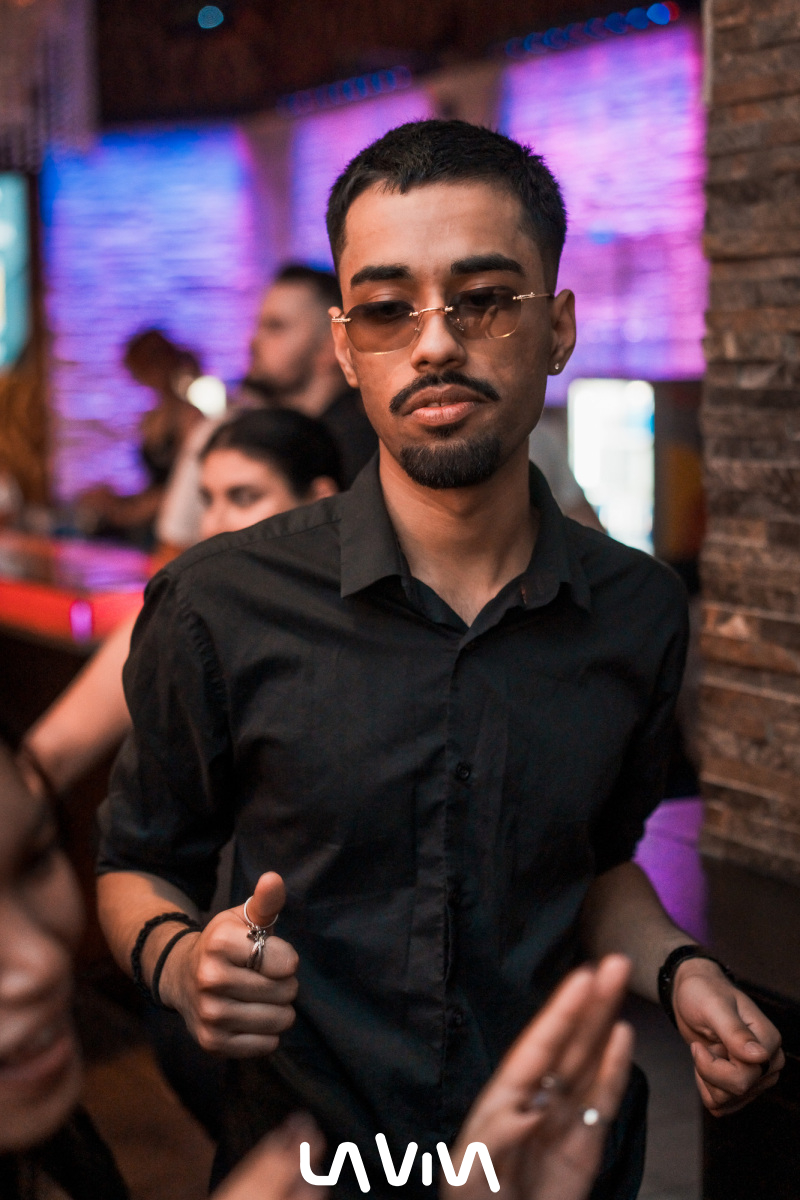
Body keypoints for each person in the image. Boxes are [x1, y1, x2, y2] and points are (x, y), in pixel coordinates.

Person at [96, 119, 783, 1200]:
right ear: (345, 349)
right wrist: (185, 967)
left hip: (561, 1163)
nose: (433, 345)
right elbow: (135, 865)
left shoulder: (638, 611)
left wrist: (679, 967)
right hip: (318, 1163)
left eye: (484, 298)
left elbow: (594, 868)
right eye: (386, 309)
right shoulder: (220, 602)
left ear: (556, 327)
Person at [0, 740, 636, 1200]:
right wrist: (180, 964)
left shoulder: (57, 1153)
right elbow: (142, 858)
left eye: (33, 859)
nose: (43, 963)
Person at [17, 410, 343, 804]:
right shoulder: (185, 618)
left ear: (320, 501)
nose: (212, 526)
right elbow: (45, 761)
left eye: (243, 497)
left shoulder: (367, 624)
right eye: (207, 500)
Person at [157, 265, 378, 552]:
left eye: (276, 327)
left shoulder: (366, 446)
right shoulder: (240, 428)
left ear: (330, 345)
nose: (253, 341)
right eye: (258, 325)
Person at [77, 329, 203, 546]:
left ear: (157, 367)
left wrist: (130, 511)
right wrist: (117, 500)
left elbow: (186, 486)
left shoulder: (189, 416)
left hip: (172, 520)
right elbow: (153, 481)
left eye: (138, 370)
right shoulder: (152, 416)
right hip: (151, 513)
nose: (135, 377)